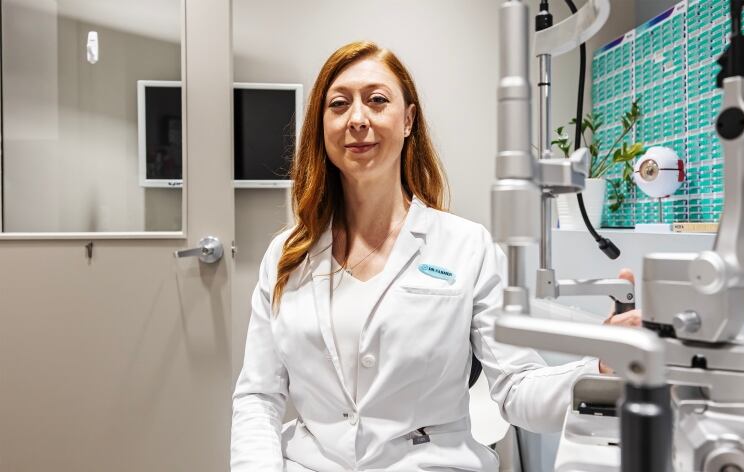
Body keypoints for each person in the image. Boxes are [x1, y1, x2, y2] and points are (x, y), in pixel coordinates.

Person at [231, 41, 640, 472]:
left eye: (377, 100)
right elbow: (259, 396)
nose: (357, 119)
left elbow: (517, 388)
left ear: (408, 120)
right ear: (322, 125)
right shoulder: (287, 255)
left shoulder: (466, 246)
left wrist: (601, 364)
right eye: (338, 104)